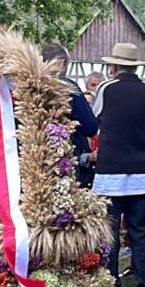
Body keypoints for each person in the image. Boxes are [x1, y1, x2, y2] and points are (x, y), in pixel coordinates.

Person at [91, 42, 145, 287]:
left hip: (110, 172)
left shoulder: (107, 89)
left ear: (115, 66)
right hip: (142, 172)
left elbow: (94, 119)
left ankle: (111, 284)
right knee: (140, 232)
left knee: (109, 233)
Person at [41, 44, 99, 188]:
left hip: (36, 158)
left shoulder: (32, 86)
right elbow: (90, 127)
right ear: (61, 62)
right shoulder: (67, 87)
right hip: (66, 159)